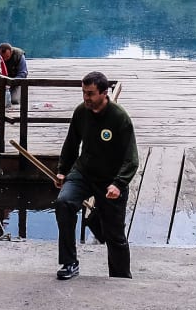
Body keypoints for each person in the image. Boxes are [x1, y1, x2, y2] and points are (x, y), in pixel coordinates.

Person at [52, 70, 138, 280]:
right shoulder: (81, 112)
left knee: (114, 234)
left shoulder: (119, 117)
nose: (86, 98)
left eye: (90, 93)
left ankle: (120, 277)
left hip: (110, 180)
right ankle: (69, 263)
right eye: (84, 93)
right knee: (64, 203)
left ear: (104, 93)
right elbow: (71, 143)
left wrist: (119, 183)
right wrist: (63, 171)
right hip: (84, 173)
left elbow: (131, 158)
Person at [0, 42, 28, 109]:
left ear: (11, 51)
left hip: (15, 81)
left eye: (7, 57)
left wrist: (11, 82)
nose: (5, 59)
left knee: (14, 100)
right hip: (1, 82)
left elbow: (23, 73)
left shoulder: (19, 55)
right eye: (2, 57)